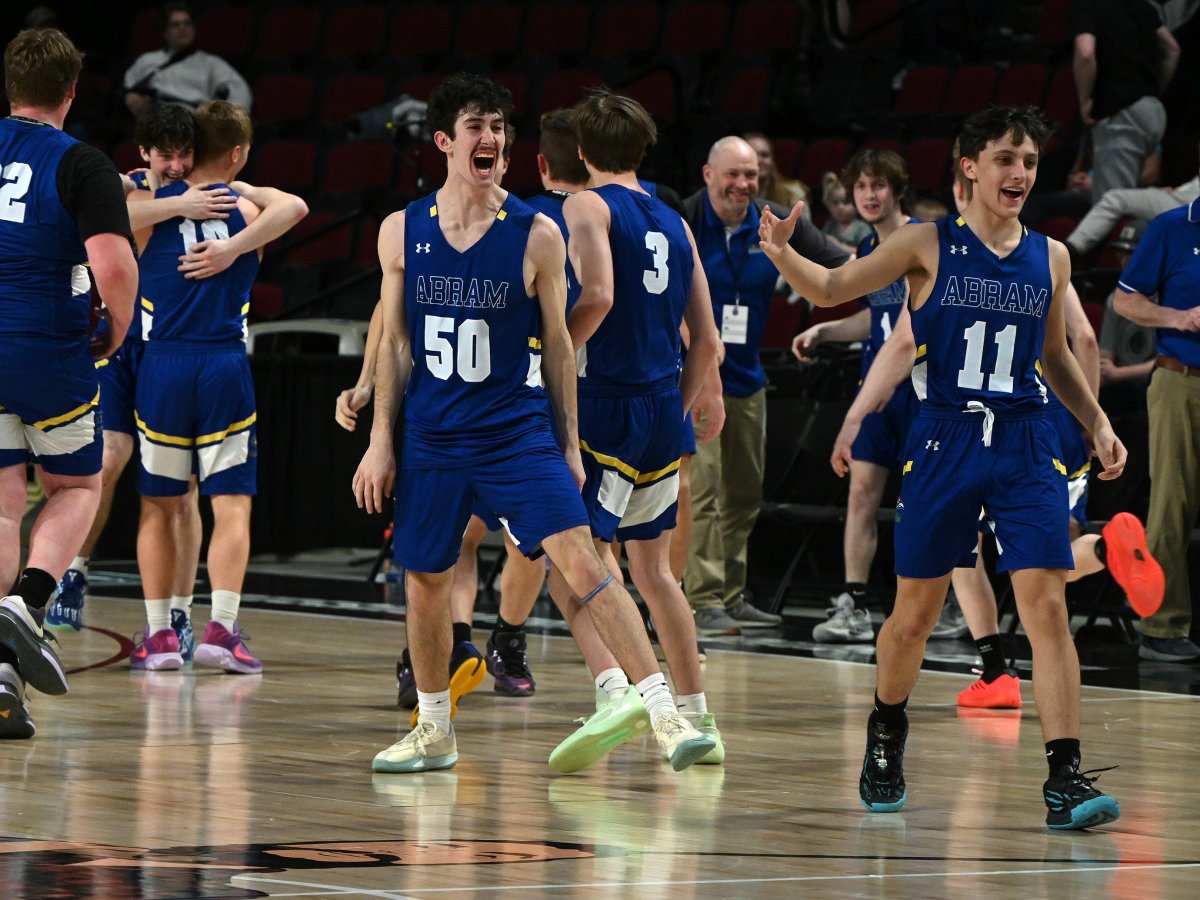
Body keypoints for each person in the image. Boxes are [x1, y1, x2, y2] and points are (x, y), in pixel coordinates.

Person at [762, 106, 1127, 830]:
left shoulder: (1051, 257)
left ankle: (1065, 777)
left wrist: (1097, 421)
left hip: (1026, 439)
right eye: (1005, 159)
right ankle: (886, 727)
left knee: (1046, 607)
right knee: (914, 618)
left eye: (1029, 161)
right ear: (969, 166)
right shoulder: (926, 243)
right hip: (945, 438)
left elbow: (1054, 355)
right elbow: (832, 288)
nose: (1020, 173)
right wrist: (781, 253)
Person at [352, 74, 715, 774]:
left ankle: (665, 714)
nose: (490, 137)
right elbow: (395, 340)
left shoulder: (538, 232)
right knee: (426, 581)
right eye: (476, 126)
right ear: (444, 141)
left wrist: (569, 445)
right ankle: (434, 730)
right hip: (433, 434)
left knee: (584, 562)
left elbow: (558, 348)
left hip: (515, 431)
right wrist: (378, 438)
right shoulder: (402, 229)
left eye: (498, 126)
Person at [544, 88, 727, 773]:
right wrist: (675, 409)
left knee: (574, 570)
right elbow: (708, 342)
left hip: (605, 404)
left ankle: (620, 693)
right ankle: (701, 716)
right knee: (657, 574)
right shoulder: (676, 221)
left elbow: (597, 295)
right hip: (659, 408)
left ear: (582, 150)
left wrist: (547, 356)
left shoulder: (585, 206)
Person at [127, 100, 306, 674]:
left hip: (162, 366)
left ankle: (160, 636)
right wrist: (234, 240)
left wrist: (162, 194)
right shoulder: (248, 209)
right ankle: (222, 630)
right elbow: (295, 206)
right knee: (230, 505)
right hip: (223, 364)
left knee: (159, 505)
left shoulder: (147, 210)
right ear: (237, 153)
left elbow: (107, 213)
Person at [46, 102, 232, 634]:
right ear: (144, 152)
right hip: (116, 343)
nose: (175, 165)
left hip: (167, 348)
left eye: (184, 154)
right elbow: (113, 220)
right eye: (165, 155)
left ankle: (180, 610)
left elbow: (284, 208)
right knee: (106, 460)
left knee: (181, 487)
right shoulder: (127, 188)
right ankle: (74, 571)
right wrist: (179, 205)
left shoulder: (206, 192)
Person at [0, 28, 139, 738]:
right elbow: (112, 266)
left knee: (2, 507)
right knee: (78, 486)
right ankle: (26, 603)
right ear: (72, 91)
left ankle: (1, 671)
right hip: (48, 352)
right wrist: (117, 328)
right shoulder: (81, 162)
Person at [681, 136, 848, 637]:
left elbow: (844, 263)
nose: (743, 184)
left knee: (744, 492)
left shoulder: (773, 219)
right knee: (704, 490)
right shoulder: (684, 219)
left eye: (751, 175)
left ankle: (731, 596)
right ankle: (702, 599)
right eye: (732, 174)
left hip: (747, 378)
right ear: (708, 175)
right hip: (693, 378)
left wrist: (901, 254)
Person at [792, 150, 933, 645]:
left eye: (878, 185)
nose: (869, 195)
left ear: (898, 190)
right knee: (860, 493)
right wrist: (826, 330)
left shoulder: (925, 240)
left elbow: (909, 329)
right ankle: (855, 605)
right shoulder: (870, 248)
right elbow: (878, 317)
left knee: (927, 501)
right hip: (876, 388)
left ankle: (946, 603)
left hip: (921, 389)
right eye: (861, 187)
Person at [1113, 184, 1200, 662]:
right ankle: (1162, 626)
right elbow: (1125, 300)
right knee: (1172, 502)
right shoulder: (1173, 227)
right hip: (1181, 380)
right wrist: (1178, 317)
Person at [1071, 0, 1180, 203]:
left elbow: (1085, 53)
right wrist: (1152, 91)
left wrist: (1085, 101)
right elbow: (1172, 50)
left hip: (1121, 112)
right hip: (1152, 110)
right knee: (1126, 199)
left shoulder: (1088, 5)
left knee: (1112, 204)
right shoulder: (1144, 6)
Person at [123, 2, 252, 118]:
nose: (182, 28)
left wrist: (225, 122)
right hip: (154, 120)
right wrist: (131, 99)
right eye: (175, 25)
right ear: (165, 32)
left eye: (187, 23)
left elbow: (239, 91)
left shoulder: (211, 63)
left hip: (193, 121)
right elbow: (127, 89)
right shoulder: (147, 60)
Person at [1066, 170, 1199, 259]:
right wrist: (1180, 190)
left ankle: (1070, 251)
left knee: (1116, 198)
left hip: (1189, 203)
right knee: (1116, 197)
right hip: (1183, 195)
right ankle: (1069, 250)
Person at [1098, 222, 1157, 399]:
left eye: (1131, 254)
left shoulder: (1172, 296)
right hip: (1124, 382)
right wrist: (1104, 373)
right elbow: (1105, 358)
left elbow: (1172, 362)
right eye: (1121, 254)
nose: (1124, 261)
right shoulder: (1115, 299)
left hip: (1160, 379)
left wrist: (1117, 374)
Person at [744, 133, 810, 221]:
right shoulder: (736, 195)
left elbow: (804, 229)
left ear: (772, 161)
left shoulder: (793, 193)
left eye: (765, 155)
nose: (759, 161)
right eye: (753, 156)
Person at [820, 172, 872, 253]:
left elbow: (866, 253)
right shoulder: (830, 226)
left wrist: (838, 245)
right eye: (835, 203)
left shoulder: (862, 228)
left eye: (846, 202)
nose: (840, 207)